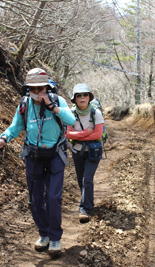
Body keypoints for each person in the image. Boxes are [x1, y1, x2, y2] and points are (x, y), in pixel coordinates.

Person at [0, 68, 76, 256]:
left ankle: (55, 238)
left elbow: (71, 120)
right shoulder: (25, 105)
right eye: (33, 89)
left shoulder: (57, 101)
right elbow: (15, 126)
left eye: (41, 88)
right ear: (27, 89)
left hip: (55, 155)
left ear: (47, 87)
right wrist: (3, 139)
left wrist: (52, 107)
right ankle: (43, 233)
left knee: (53, 198)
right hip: (33, 156)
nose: (38, 93)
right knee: (35, 200)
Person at [66, 84, 105, 223]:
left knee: (87, 179)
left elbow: (98, 134)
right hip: (77, 150)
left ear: (89, 97)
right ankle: (89, 201)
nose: (82, 98)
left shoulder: (96, 113)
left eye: (85, 95)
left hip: (93, 150)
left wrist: (77, 135)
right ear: (74, 99)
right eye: (79, 95)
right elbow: (67, 133)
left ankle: (85, 209)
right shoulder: (70, 113)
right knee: (81, 180)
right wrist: (86, 132)